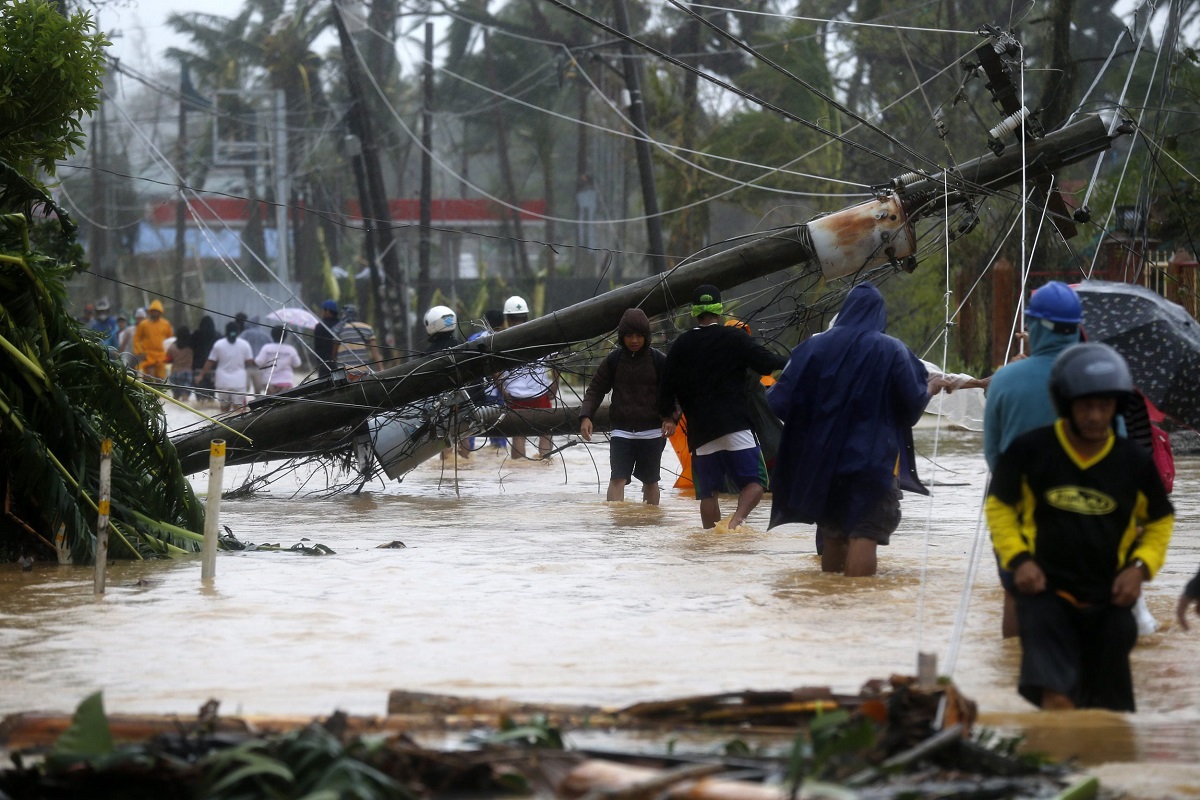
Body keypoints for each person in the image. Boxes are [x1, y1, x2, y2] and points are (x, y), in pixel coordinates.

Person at [986, 343, 1173, 712]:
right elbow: (1000, 508)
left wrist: (1140, 569)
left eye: (1104, 406)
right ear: (1065, 403)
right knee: (1057, 699)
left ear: (1116, 408)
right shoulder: (1029, 452)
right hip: (1046, 599)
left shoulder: (1132, 462)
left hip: (1110, 603)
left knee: (1106, 716)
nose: (1094, 415)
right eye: (1085, 405)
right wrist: (1019, 560)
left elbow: (1160, 521)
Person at [767, 283, 950, 574]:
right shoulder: (893, 350)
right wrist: (931, 387)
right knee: (864, 534)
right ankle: (860, 613)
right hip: (873, 467)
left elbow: (776, 402)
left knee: (834, 538)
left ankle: (833, 608)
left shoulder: (812, 348)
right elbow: (913, 408)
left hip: (822, 467)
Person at [983, 280, 1083, 636]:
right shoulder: (1096, 377)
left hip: (1015, 508)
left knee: (1016, 592)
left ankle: (1012, 678)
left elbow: (993, 453)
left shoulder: (1005, 380)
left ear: (1036, 326)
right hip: (1081, 510)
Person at [657, 285, 787, 529]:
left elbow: (665, 387)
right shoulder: (735, 337)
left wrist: (668, 418)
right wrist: (796, 359)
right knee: (757, 482)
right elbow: (766, 363)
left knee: (708, 494)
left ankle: (711, 542)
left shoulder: (681, 345)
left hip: (701, 433)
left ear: (694, 312)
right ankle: (735, 521)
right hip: (736, 426)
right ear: (719, 309)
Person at [579, 308, 679, 505]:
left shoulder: (659, 361)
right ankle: (617, 526)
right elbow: (595, 390)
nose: (634, 340)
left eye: (639, 336)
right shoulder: (613, 361)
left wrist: (671, 418)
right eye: (629, 336)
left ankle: (650, 521)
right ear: (622, 337)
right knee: (617, 479)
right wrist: (586, 416)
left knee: (651, 481)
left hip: (652, 432)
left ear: (646, 337)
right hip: (621, 432)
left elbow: (675, 393)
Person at [497, 295, 559, 460]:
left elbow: (494, 371)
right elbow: (556, 360)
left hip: (515, 397)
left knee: (518, 435)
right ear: (527, 316)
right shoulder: (541, 336)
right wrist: (555, 384)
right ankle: (546, 466)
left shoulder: (501, 341)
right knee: (545, 432)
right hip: (540, 394)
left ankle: (519, 474)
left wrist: (502, 391)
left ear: (507, 319)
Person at [196, 322, 256, 412]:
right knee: (238, 410)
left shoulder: (218, 344)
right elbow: (250, 362)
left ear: (226, 331)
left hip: (222, 382)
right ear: (238, 332)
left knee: (224, 409)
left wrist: (201, 375)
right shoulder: (245, 344)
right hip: (239, 382)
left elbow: (210, 362)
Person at [255, 326, 303, 394]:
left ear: (272, 335)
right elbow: (297, 364)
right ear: (285, 336)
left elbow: (259, 362)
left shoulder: (266, 348)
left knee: (270, 402)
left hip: (269, 381)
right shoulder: (290, 349)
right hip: (286, 381)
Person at [336, 304, 383, 375]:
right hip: (363, 373)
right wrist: (381, 370)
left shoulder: (338, 330)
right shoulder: (367, 328)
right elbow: (375, 352)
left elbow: (334, 353)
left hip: (345, 373)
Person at [133, 299, 173, 380]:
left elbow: (170, 340)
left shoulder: (166, 324)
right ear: (150, 311)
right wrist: (140, 352)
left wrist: (169, 354)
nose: (155, 313)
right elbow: (136, 339)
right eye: (153, 311)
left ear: (160, 312)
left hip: (162, 357)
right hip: (148, 356)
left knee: (161, 380)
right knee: (149, 379)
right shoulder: (144, 324)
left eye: (157, 311)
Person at [235, 312, 272, 397]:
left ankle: (243, 406)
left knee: (243, 390)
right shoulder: (266, 335)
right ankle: (258, 407)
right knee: (258, 391)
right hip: (260, 367)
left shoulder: (245, 333)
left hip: (247, 366)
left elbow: (237, 345)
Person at [191, 315, 219, 404]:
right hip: (213, 369)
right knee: (211, 397)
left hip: (197, 369)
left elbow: (189, 348)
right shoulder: (217, 336)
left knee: (200, 399)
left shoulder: (195, 335)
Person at [165, 326, 194, 402]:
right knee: (185, 398)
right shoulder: (191, 346)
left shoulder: (172, 346)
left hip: (174, 373)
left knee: (175, 398)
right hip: (187, 373)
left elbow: (167, 360)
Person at [313, 299, 340, 378]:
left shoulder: (319, 327)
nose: (321, 312)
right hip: (340, 365)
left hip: (324, 365)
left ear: (327, 311)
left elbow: (317, 347)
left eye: (322, 310)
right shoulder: (341, 325)